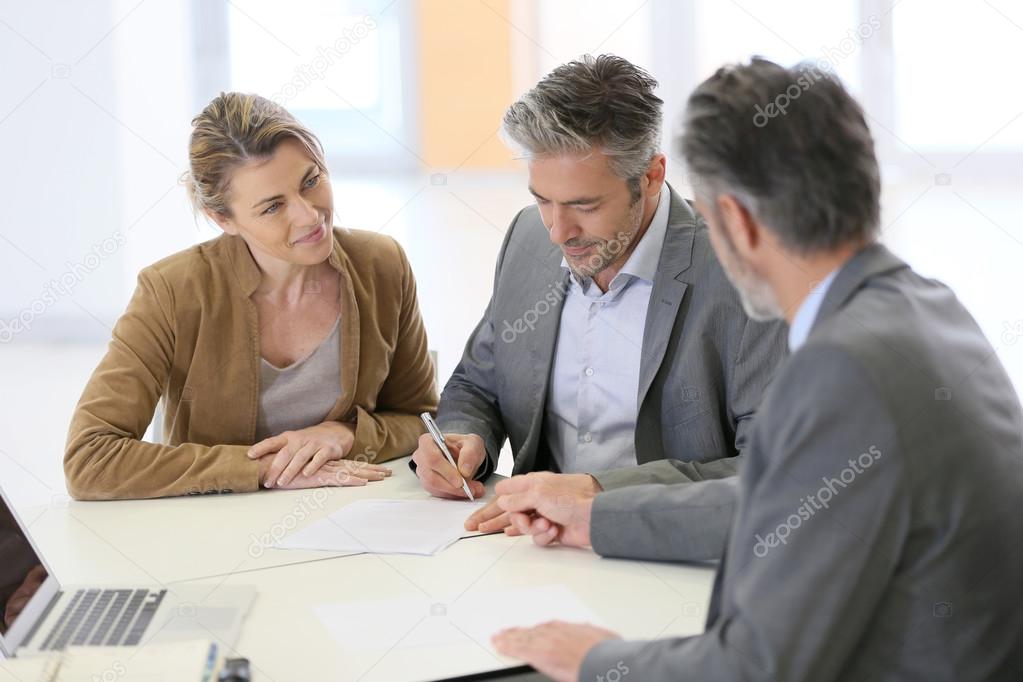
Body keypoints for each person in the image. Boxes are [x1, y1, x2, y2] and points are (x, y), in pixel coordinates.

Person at [489, 58, 1023, 681]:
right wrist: (594, 516)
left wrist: (596, 661)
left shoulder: (841, 370)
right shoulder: (925, 306)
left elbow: (756, 669)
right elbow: (785, 506)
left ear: (735, 221)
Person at [411, 56, 786, 552]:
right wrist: (463, 438)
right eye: (543, 198)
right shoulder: (527, 236)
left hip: (665, 556)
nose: (557, 231)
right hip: (533, 549)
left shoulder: (745, 274)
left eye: (585, 206)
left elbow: (772, 468)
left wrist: (599, 495)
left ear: (652, 176)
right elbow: (479, 383)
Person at [64, 93, 437, 500]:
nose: (309, 215)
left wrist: (346, 434)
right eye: (273, 207)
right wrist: (264, 468)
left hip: (354, 520)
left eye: (311, 181)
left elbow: (422, 418)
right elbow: (91, 459)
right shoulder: (171, 291)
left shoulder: (381, 264)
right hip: (216, 535)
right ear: (223, 219)